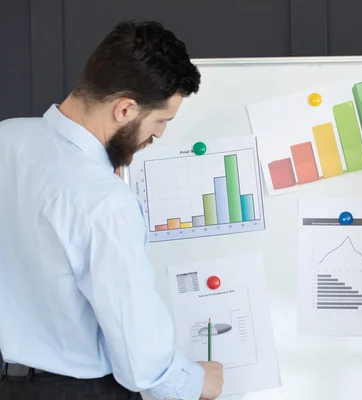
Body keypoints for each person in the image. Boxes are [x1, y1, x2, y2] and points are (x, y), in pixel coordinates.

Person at [0, 21, 224, 399]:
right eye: (160, 121)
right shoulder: (105, 201)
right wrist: (196, 381)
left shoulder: (7, 138)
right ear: (125, 109)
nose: (159, 135)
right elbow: (143, 364)